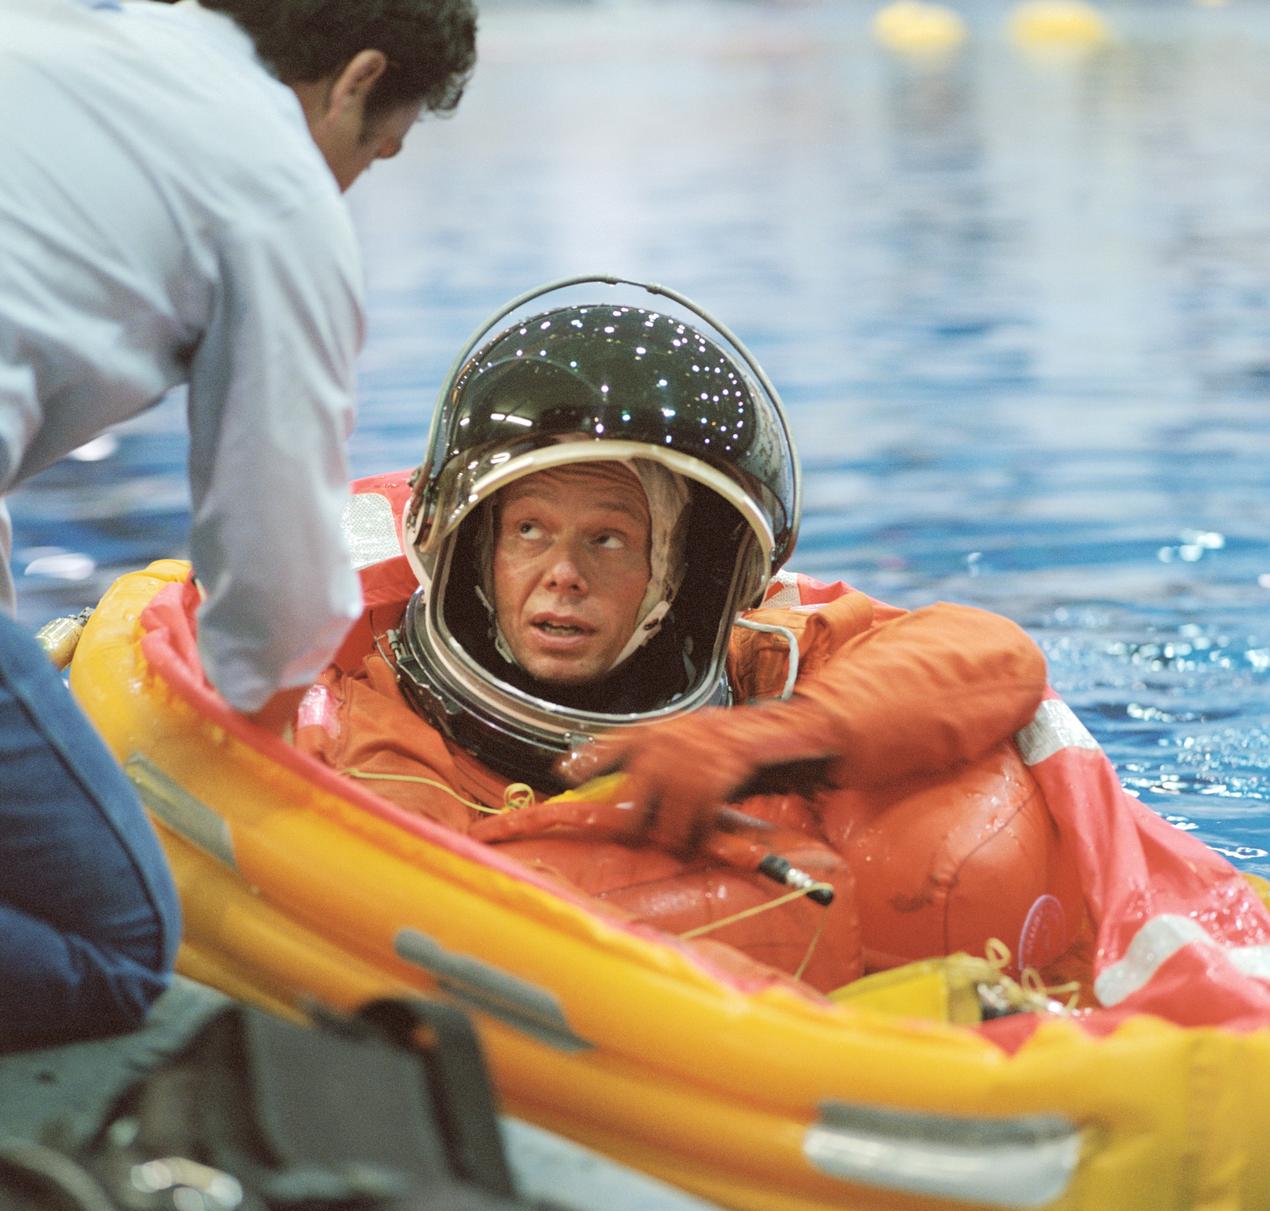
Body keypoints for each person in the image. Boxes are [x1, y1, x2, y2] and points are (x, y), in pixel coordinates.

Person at [294, 280, 1049, 988]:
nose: (563, 573)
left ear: (671, 581)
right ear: (476, 552)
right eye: (529, 530)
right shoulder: (373, 733)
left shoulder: (760, 664)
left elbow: (995, 656)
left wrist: (767, 740)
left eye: (609, 540)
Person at [0, 0, 477, 1048]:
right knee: (121, 943)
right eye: (374, 152)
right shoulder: (276, 191)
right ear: (353, 80)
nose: (351, 183)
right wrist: (257, 808)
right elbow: (274, 570)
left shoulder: (58, 34)